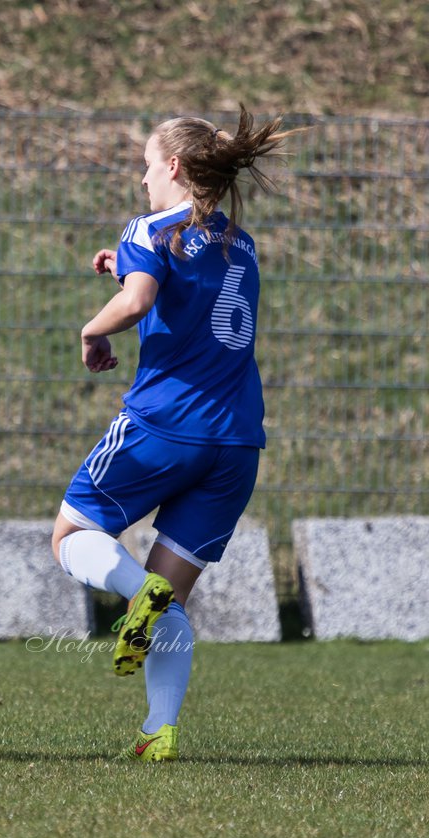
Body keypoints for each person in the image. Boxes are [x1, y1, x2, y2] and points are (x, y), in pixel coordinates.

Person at [50, 105, 300, 762]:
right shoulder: (237, 241)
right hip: (237, 441)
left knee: (71, 536)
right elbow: (185, 290)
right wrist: (122, 268)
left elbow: (139, 302)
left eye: (144, 167)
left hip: (164, 426)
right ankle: (159, 729)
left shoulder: (150, 228)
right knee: (172, 604)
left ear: (173, 167)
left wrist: (92, 330)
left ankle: (139, 591)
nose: (141, 182)